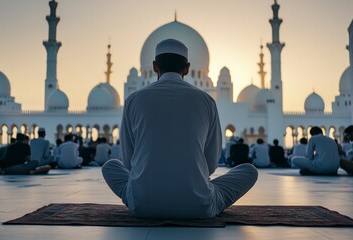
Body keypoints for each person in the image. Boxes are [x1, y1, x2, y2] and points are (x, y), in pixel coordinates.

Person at [102, 39, 258, 219]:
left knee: (110, 166)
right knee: (249, 171)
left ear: (154, 66)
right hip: (198, 205)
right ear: (187, 68)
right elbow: (211, 163)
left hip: (143, 204)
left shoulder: (134, 100)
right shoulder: (206, 101)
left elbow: (128, 162)